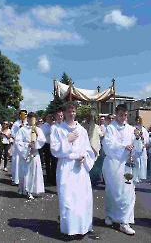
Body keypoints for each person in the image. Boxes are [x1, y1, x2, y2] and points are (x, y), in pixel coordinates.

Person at [50, 101, 95, 237]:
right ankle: (69, 228)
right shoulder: (58, 130)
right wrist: (67, 140)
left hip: (80, 168)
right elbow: (54, 149)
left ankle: (82, 227)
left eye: (74, 111)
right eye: (69, 111)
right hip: (66, 167)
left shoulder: (81, 130)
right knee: (67, 198)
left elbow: (88, 148)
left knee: (82, 198)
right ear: (64, 113)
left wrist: (84, 157)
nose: (72, 114)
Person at [102, 104, 143, 235]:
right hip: (113, 164)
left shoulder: (131, 129)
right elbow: (108, 145)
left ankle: (124, 222)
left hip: (127, 165)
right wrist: (123, 147)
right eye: (121, 115)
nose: (124, 118)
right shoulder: (110, 128)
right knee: (113, 192)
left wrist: (138, 138)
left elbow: (139, 148)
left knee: (127, 193)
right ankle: (110, 215)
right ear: (116, 114)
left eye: (126, 115)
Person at [15, 112, 46, 201]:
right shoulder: (22, 130)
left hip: (34, 154)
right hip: (25, 154)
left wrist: (35, 144)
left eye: (33, 118)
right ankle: (22, 189)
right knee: (24, 173)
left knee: (33, 173)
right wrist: (27, 145)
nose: (31, 120)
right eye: (30, 118)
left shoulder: (38, 130)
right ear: (27, 119)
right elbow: (18, 142)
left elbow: (42, 140)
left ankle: (30, 191)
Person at [11, 110, 27, 186]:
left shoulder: (27, 123)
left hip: (26, 145)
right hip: (18, 144)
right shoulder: (16, 124)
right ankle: (15, 179)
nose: (24, 116)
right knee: (16, 161)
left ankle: (24, 179)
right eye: (23, 114)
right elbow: (12, 133)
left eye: (25, 114)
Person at [40, 113, 55, 185]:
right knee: (47, 160)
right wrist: (50, 131)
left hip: (53, 144)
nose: (50, 119)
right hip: (46, 144)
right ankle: (48, 177)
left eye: (51, 117)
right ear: (46, 118)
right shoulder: (44, 126)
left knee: (54, 161)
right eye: (49, 117)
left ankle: (53, 177)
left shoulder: (54, 125)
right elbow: (43, 134)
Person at [134, 116, 149, 182]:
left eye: (139, 120)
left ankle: (141, 175)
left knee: (142, 162)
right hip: (135, 148)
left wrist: (142, 137)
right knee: (136, 162)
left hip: (142, 148)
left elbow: (147, 139)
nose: (138, 121)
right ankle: (136, 176)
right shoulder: (133, 128)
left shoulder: (143, 129)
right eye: (137, 120)